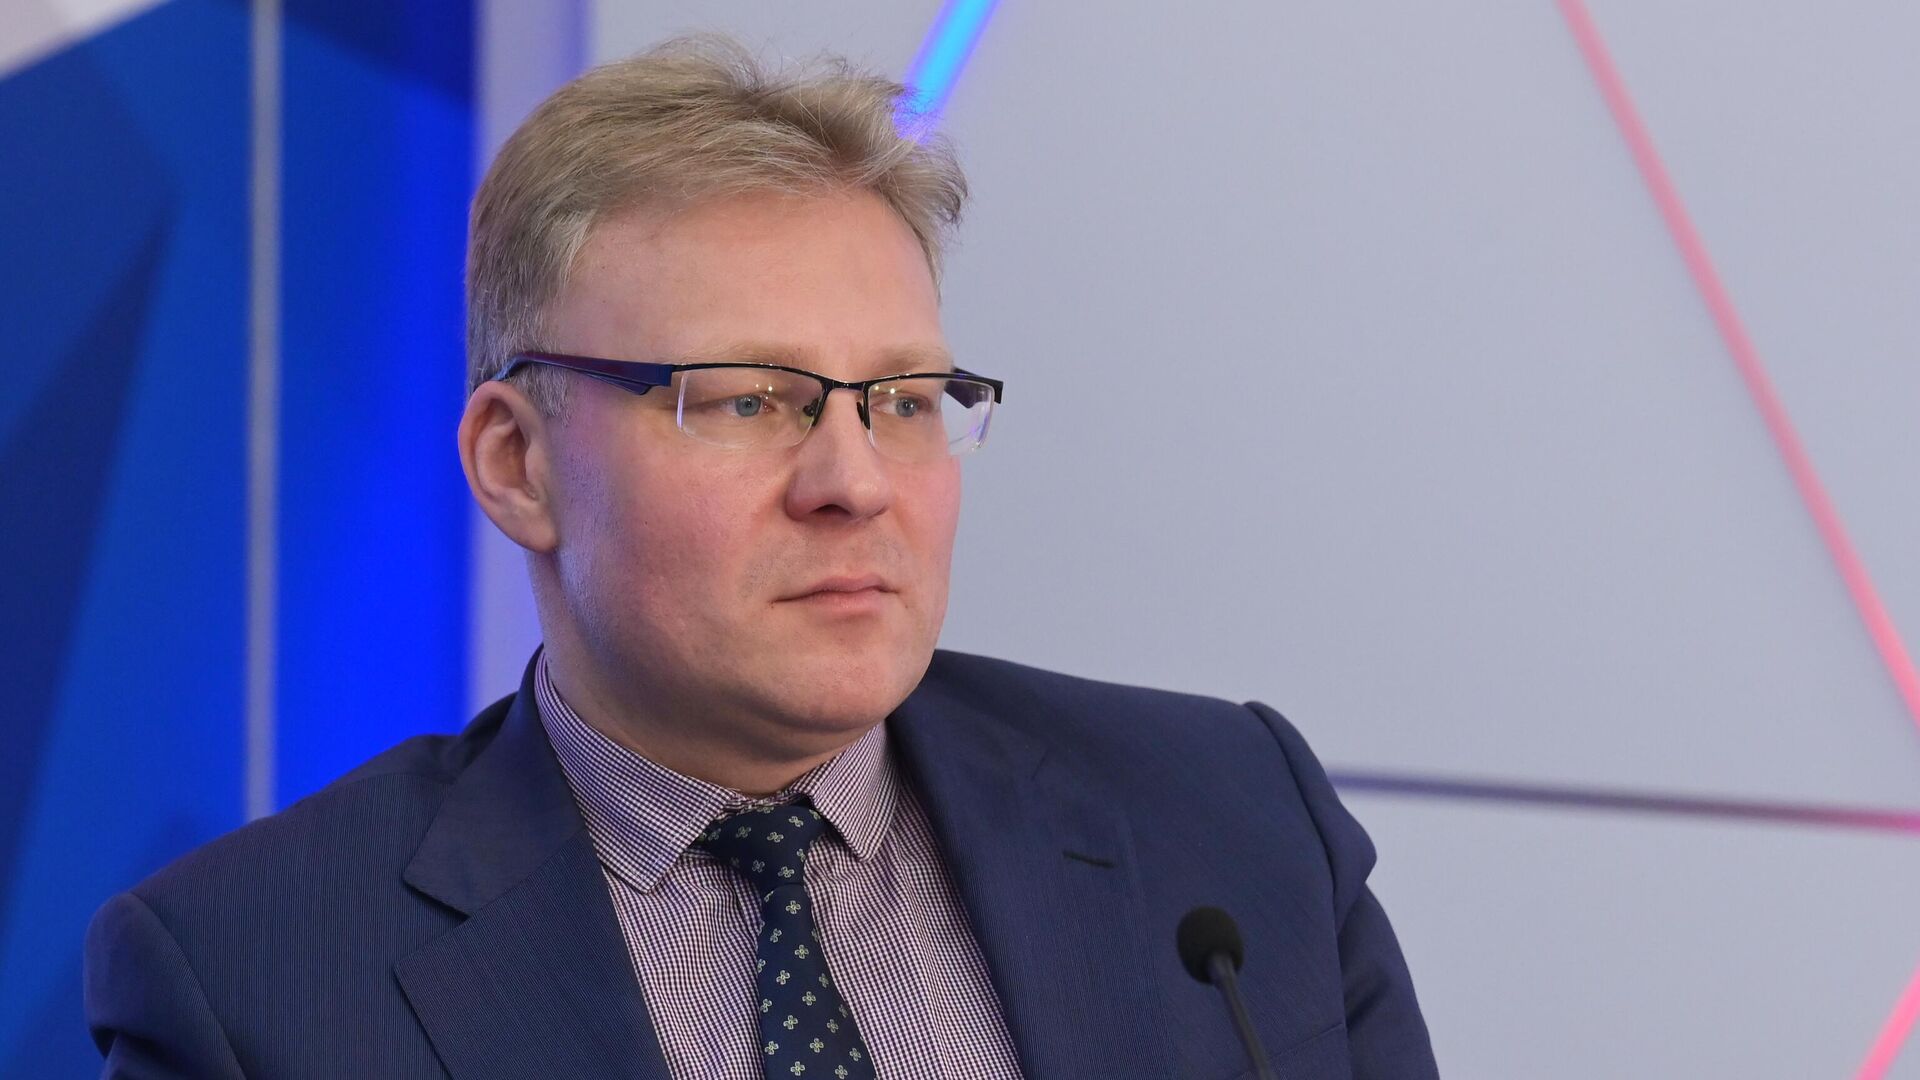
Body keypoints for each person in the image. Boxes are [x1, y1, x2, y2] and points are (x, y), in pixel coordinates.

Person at [83, 34, 1437, 1079]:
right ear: (516, 463)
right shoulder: (252, 981)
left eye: (904, 401)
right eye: (748, 401)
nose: (855, 483)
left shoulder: (1231, 826)